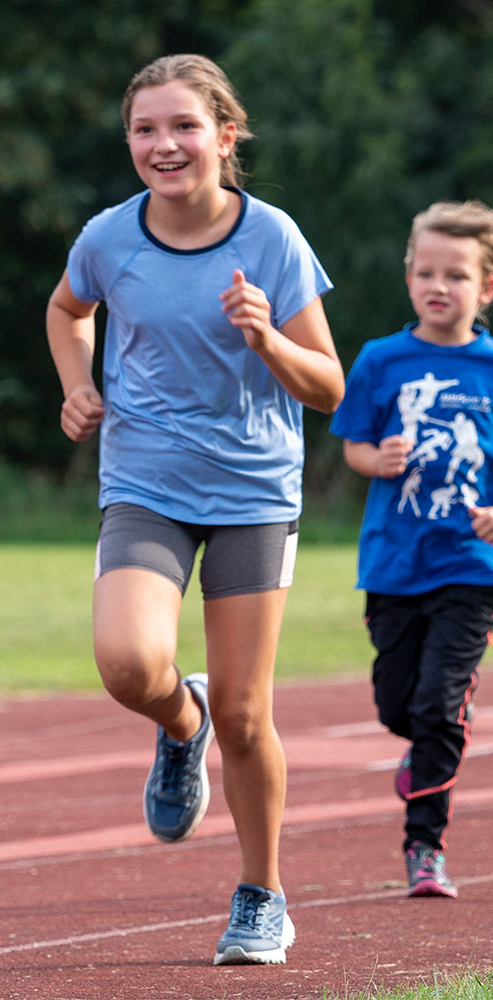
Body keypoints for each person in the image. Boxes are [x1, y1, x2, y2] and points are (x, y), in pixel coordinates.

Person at [45, 53, 344, 965]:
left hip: (254, 492)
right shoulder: (109, 236)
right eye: (144, 129)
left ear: (225, 134)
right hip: (145, 482)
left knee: (251, 716)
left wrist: (265, 339)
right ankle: (183, 723)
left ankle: (263, 898)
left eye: (183, 126)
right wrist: (77, 383)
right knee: (131, 666)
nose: (163, 145)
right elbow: (67, 309)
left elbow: (330, 387)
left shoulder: (274, 240)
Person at [329, 200, 493, 899]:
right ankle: (432, 735)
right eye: (426, 272)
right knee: (399, 707)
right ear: (408, 280)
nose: (439, 286)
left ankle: (424, 846)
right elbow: (353, 443)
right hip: (394, 565)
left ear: (485, 287)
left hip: (471, 567)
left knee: (436, 706)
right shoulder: (380, 359)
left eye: (456, 275)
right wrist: (377, 460)